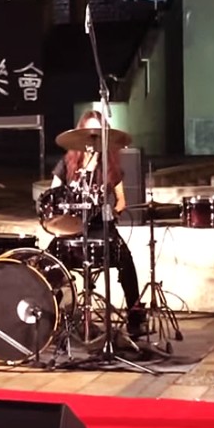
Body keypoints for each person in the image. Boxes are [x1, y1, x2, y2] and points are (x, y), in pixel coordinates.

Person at [48, 110, 145, 338]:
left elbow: (121, 200)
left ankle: (135, 314)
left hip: (101, 225)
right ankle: (50, 314)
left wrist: (115, 210)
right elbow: (52, 195)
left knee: (125, 259)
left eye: (96, 134)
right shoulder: (67, 164)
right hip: (71, 226)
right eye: (87, 133)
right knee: (48, 260)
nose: (91, 139)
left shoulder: (109, 166)